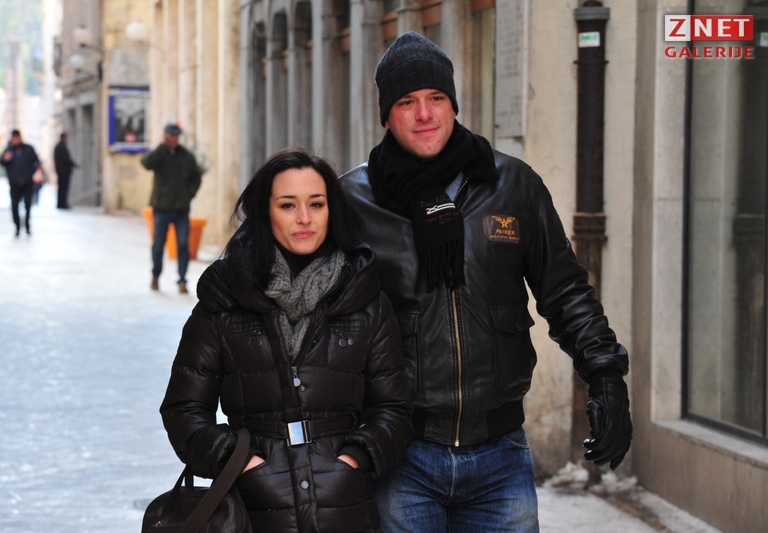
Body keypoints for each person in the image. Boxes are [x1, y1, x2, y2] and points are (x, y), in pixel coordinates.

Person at [338, 32, 633, 532]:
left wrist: (605, 374)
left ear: (454, 105)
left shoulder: (512, 185)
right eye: (407, 102)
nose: (424, 114)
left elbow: (564, 291)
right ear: (386, 115)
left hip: (500, 455)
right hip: (400, 453)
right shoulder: (353, 200)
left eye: (436, 98)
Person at [160, 148, 415, 533]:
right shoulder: (224, 300)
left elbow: (393, 408)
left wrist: (355, 460)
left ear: (332, 211)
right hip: (253, 507)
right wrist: (240, 463)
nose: (304, 219)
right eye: (287, 205)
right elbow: (184, 409)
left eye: (316, 204)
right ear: (265, 213)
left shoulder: (365, 299)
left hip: (344, 506)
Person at [141, 123, 204, 293]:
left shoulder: (186, 156)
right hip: (161, 207)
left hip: (181, 209)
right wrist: (162, 147)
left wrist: (189, 194)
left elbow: (196, 177)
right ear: (165, 136)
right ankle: (155, 276)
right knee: (158, 244)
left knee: (183, 245)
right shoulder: (160, 154)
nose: (174, 140)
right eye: (171, 136)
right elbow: (146, 163)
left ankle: (182, 280)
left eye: (176, 137)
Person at [0, 129, 41, 236]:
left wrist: (30, 172)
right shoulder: (9, 150)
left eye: (17, 138)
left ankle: (27, 226)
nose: (15, 140)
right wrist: (5, 159)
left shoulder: (29, 149)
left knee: (28, 205)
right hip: (14, 183)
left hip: (27, 182)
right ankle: (17, 226)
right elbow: (2, 162)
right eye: (14, 138)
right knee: (14, 206)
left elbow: (36, 162)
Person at [53, 132, 78, 209]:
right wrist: (73, 164)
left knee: (61, 188)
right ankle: (62, 204)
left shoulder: (59, 146)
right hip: (64, 171)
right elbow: (65, 159)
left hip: (61, 171)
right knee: (63, 188)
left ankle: (61, 204)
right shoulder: (61, 147)